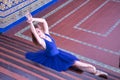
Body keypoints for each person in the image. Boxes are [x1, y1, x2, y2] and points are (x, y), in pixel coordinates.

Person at [25, 12, 108, 79]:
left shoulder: (47, 34)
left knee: (76, 63)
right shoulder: (41, 41)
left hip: (60, 54)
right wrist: (31, 23)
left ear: (41, 30)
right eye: (36, 33)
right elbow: (34, 32)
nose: (38, 33)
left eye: (38, 31)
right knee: (78, 63)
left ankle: (95, 71)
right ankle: (95, 71)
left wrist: (33, 19)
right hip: (56, 58)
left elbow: (43, 21)